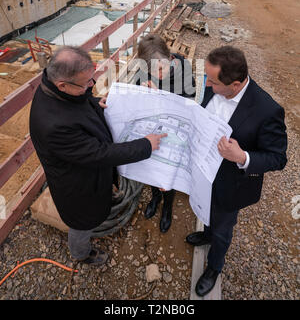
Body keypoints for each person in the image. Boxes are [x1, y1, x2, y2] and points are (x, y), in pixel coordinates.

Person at [29, 46, 166, 265]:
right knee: (82, 224)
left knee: (98, 202)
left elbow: (78, 104)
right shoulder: (52, 126)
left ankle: (104, 200)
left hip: (91, 175)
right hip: (77, 188)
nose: (90, 87)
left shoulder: (54, 85)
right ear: (62, 84)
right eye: (85, 84)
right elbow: (100, 154)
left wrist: (95, 102)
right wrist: (145, 145)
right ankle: (81, 253)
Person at [185, 46, 287, 296]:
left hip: (231, 184)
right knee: (206, 210)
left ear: (236, 84)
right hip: (203, 173)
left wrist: (242, 157)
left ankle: (214, 267)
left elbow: (278, 158)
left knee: (223, 229)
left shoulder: (267, 110)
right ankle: (205, 234)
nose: (206, 85)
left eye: (213, 81)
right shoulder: (213, 88)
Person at [135, 33, 195, 233]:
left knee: (168, 172)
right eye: (152, 70)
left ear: (170, 59)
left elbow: (190, 100)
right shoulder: (144, 72)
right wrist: (143, 92)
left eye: (160, 68)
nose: (157, 74)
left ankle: (168, 205)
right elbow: (135, 98)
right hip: (153, 128)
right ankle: (155, 197)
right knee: (154, 166)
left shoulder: (183, 67)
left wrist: (161, 96)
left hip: (174, 128)